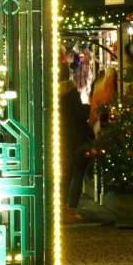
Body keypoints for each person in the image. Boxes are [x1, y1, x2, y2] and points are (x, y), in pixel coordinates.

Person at [60, 66, 94, 224]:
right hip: (75, 137)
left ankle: (60, 209)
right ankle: (71, 210)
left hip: (60, 137)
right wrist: (89, 108)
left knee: (65, 174)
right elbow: (79, 114)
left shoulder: (49, 93)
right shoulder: (69, 91)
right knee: (78, 172)